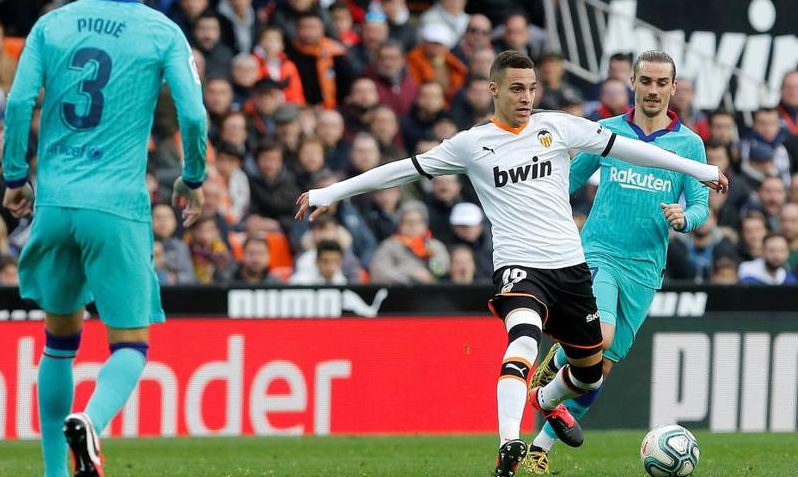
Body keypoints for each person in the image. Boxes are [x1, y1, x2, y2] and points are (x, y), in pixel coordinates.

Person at [295, 50, 726, 477]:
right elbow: (403, 170)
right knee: (522, 340)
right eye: (517, 88)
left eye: (532, 88)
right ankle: (511, 446)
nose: (526, 97)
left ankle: (543, 401)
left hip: (575, 268)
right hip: (529, 265)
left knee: (593, 372)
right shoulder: (471, 143)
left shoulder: (558, 127)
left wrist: (698, 170)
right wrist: (329, 193)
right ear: (494, 90)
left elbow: (635, 153)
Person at [1, 0, 207, 476]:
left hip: (54, 203)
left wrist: (14, 176)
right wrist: (192, 177)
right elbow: (194, 114)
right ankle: (90, 421)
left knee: (59, 340)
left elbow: (17, 103)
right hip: (117, 206)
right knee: (130, 346)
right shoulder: (162, 31)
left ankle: (55, 472)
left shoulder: (52, 23)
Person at [523, 50, 714, 474]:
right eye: (646, 80)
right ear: (633, 81)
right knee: (601, 338)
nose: (653, 89)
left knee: (599, 371)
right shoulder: (606, 132)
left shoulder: (689, 143)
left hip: (645, 270)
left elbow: (701, 203)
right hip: (599, 254)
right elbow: (567, 181)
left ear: (672, 86)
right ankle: (551, 374)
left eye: (661, 82)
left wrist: (685, 218)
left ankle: (539, 448)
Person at [368, 200, 450, 284]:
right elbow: (378, 273)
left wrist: (434, 258)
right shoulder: (390, 245)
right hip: (401, 291)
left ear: (425, 224)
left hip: (431, 291)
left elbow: (441, 271)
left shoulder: (434, 245)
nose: (413, 226)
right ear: (399, 224)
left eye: (417, 222)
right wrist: (409, 274)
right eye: (408, 222)